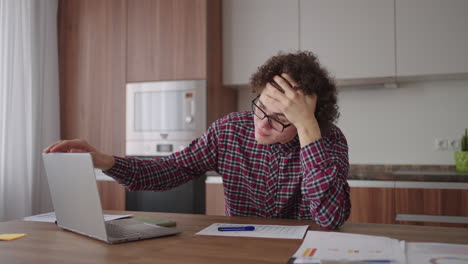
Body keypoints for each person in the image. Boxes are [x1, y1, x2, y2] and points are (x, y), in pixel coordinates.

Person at [44, 51, 351, 230]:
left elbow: (330, 218)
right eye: (261, 106)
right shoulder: (229, 131)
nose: (262, 124)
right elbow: (168, 171)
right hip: (240, 250)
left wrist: (308, 129)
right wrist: (104, 161)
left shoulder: (328, 141)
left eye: (281, 118)